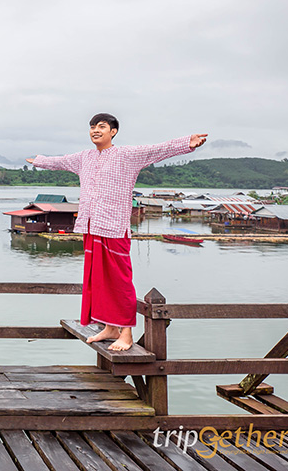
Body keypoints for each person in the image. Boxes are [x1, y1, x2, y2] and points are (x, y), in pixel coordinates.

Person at [26, 113, 207, 351]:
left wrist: (186, 143)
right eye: (92, 127)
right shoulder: (84, 158)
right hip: (91, 225)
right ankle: (109, 328)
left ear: (113, 131)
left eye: (101, 127)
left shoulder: (126, 155)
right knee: (97, 280)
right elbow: (60, 161)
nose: (95, 131)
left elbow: (157, 150)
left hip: (114, 227)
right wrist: (39, 161)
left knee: (120, 280)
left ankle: (126, 333)